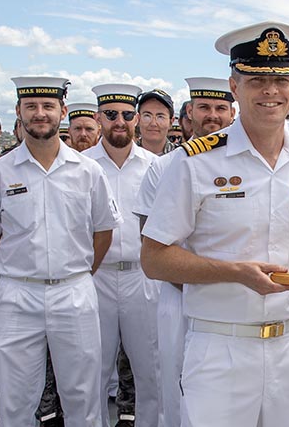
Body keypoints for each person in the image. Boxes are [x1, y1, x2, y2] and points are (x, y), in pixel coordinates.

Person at [140, 21, 289, 426]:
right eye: (256, 80)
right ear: (234, 87)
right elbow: (155, 259)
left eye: (281, 79)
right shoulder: (195, 162)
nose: (270, 91)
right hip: (220, 346)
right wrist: (235, 273)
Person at [0, 76, 122, 427]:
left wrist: (80, 272)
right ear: (18, 112)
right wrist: (18, 269)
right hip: (17, 293)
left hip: (74, 289)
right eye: (31, 107)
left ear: (62, 112)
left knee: (83, 397)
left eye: (47, 106)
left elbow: (103, 230)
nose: (39, 114)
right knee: (15, 400)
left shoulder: (88, 172)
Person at [133, 75, 236, 427]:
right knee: (173, 382)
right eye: (204, 108)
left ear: (232, 113)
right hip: (178, 295)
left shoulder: (242, 165)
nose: (212, 116)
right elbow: (151, 242)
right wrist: (194, 279)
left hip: (229, 297)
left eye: (220, 108)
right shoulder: (162, 167)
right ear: (189, 113)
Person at [87, 83, 161, 427]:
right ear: (99, 118)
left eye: (127, 115)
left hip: (142, 277)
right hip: (94, 276)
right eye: (111, 114)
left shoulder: (156, 167)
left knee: (151, 370)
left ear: (136, 120)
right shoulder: (82, 165)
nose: (120, 121)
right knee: (92, 372)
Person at [137, 89, 175, 155]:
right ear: (138, 119)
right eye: (147, 116)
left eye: (160, 117)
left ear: (171, 122)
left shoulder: (180, 157)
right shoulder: (124, 157)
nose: (153, 123)